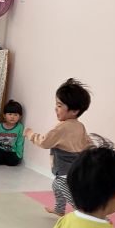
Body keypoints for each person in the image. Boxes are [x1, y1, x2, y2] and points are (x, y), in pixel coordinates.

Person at [24, 78, 93, 215]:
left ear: (74, 111)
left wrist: (30, 134)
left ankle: (83, 211)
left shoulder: (61, 127)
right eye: (56, 104)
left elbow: (45, 142)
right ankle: (59, 209)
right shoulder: (80, 126)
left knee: (58, 184)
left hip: (65, 168)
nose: (55, 108)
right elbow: (88, 143)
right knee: (58, 187)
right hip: (76, 167)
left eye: (60, 105)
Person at [0, 100, 25, 166]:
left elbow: (20, 141)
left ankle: (5, 159)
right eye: (10, 114)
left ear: (20, 117)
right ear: (4, 115)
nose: (12, 117)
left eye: (15, 115)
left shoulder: (20, 127)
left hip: (11, 151)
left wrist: (19, 154)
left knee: (13, 162)